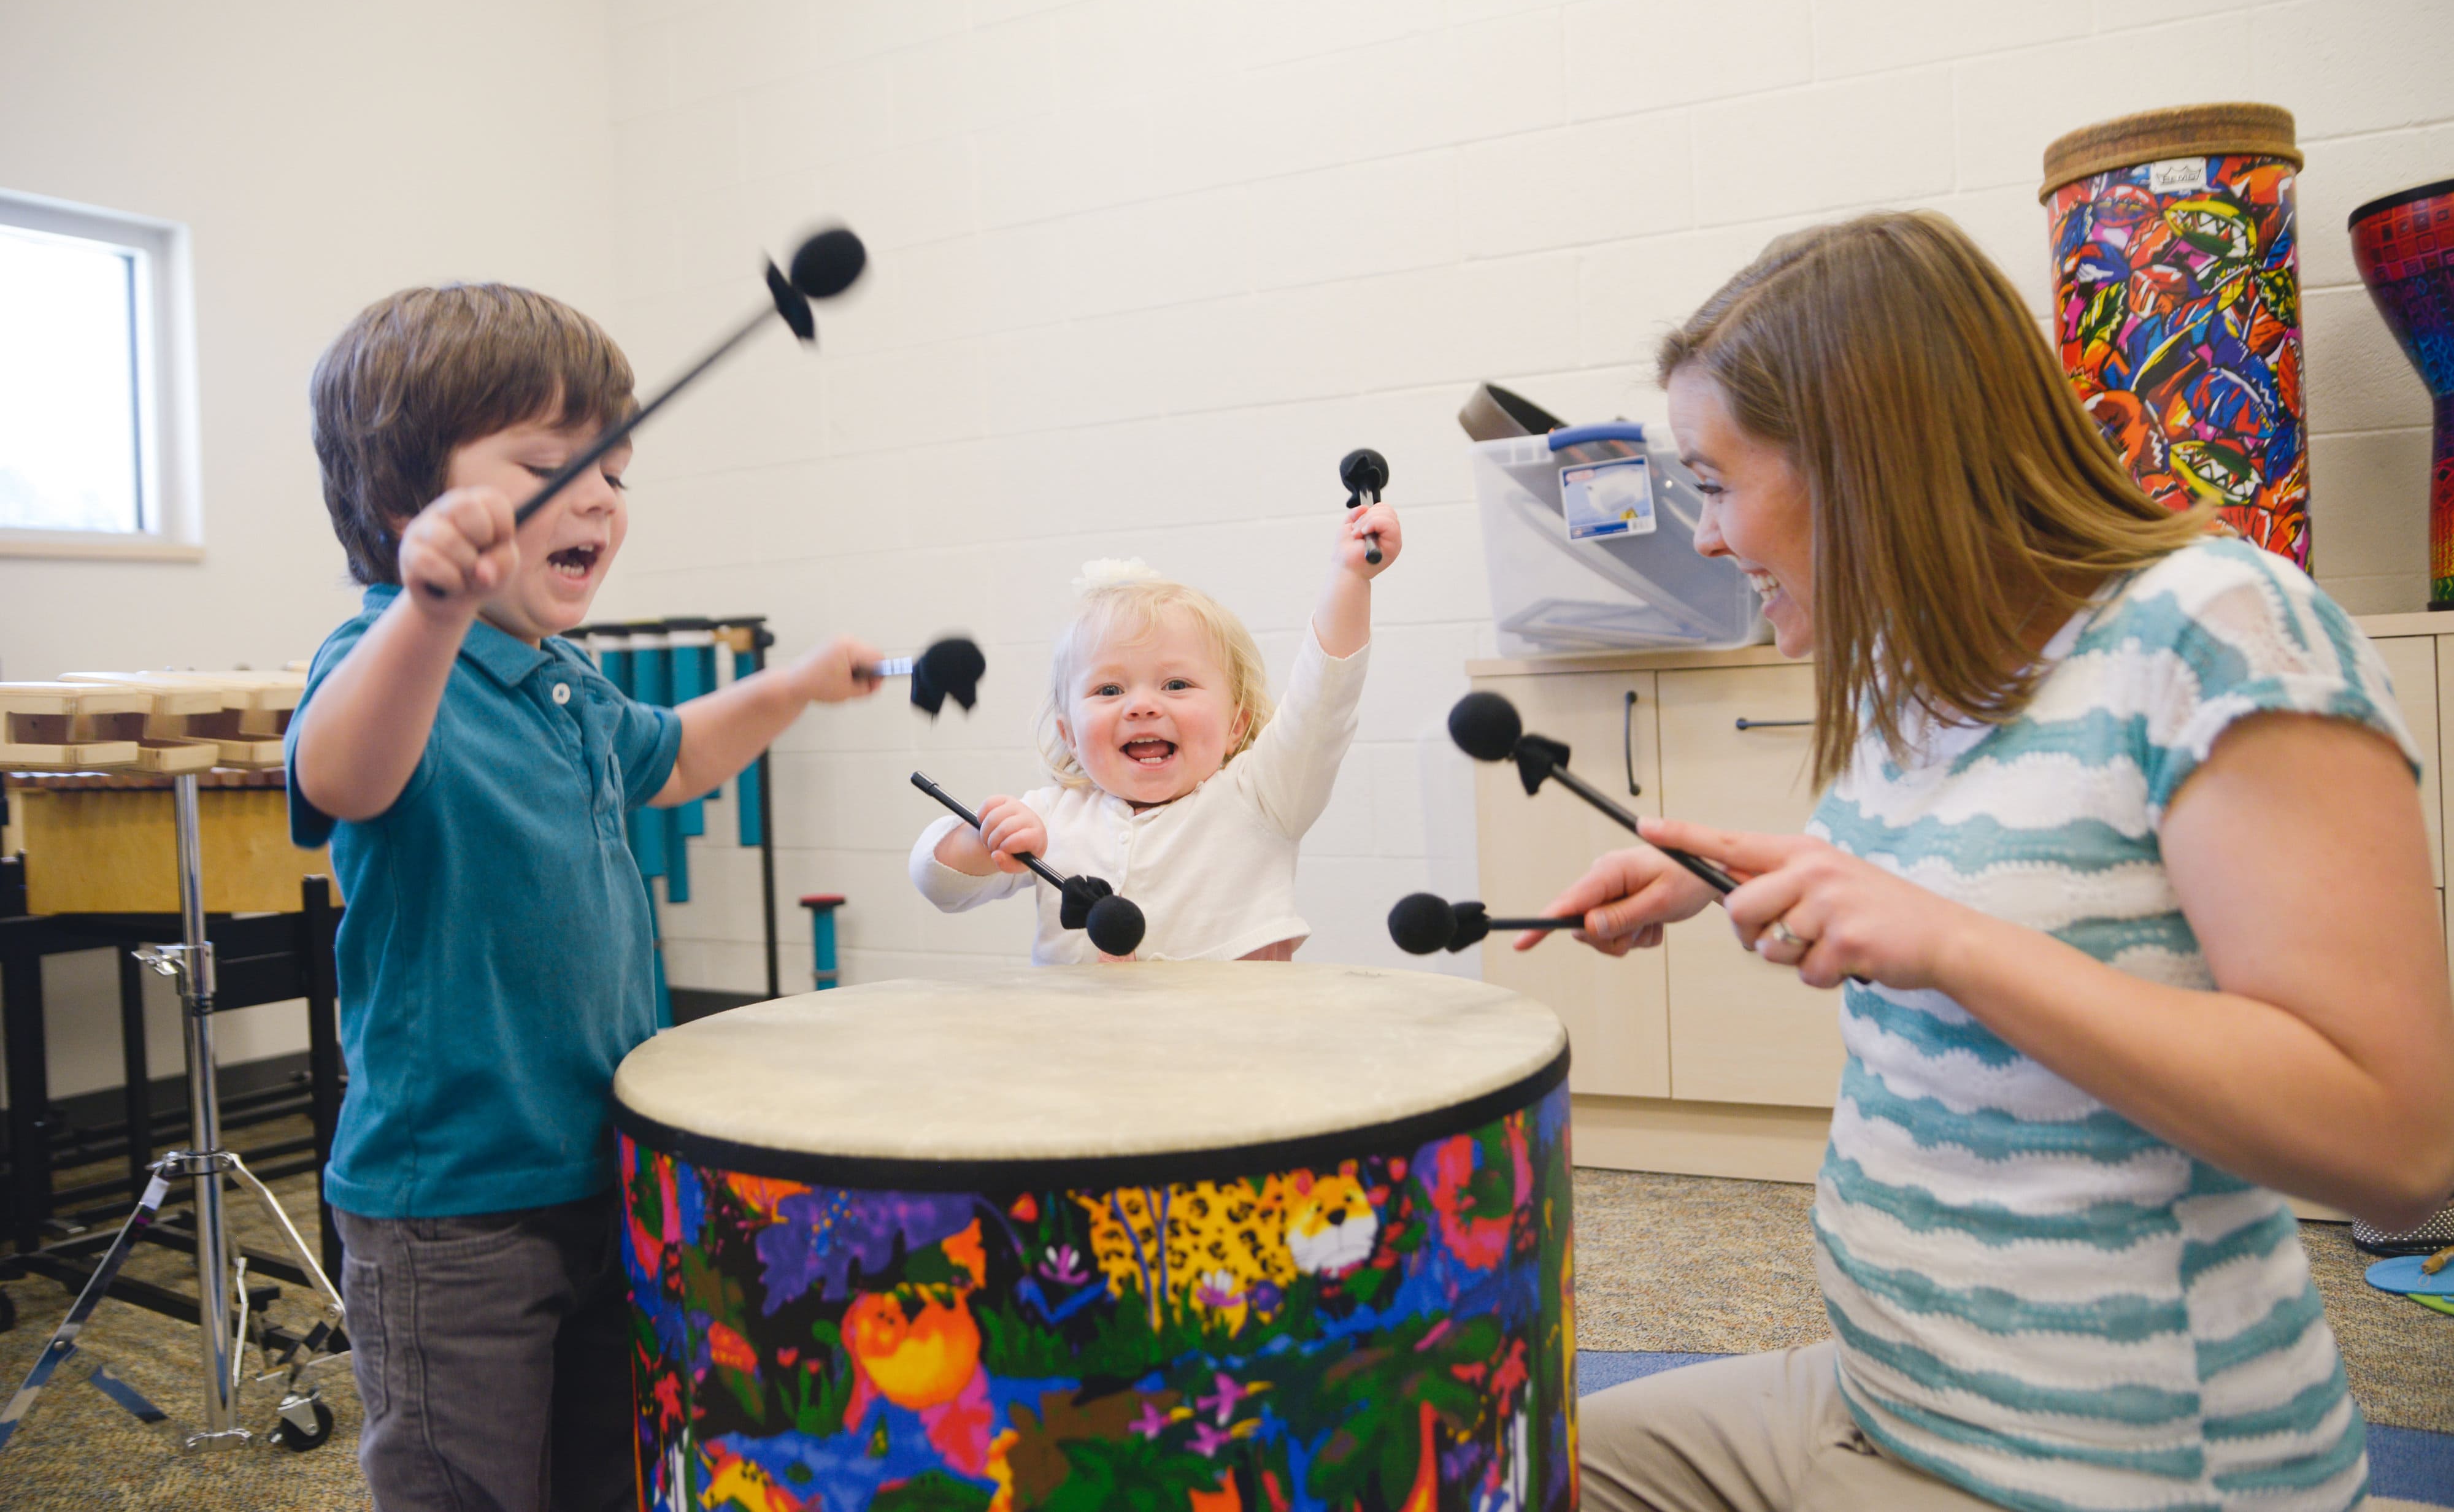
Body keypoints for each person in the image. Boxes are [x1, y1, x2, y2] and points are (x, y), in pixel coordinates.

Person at [1524, 211, 2454, 1512]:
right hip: (1877, 1390)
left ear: (1862, 462)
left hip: (2102, 1471)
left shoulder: (2219, 627)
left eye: (1715, 481)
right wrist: (1738, 871)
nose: (1711, 538)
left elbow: (2396, 1141)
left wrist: (1943, 941)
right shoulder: (1922, 666)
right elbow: (2025, 879)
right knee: (1476, 1473)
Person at [287, 283, 882, 1511]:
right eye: (553, 465)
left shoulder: (567, 681)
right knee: (471, 1488)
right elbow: (342, 771)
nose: (602, 498)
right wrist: (429, 608)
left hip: (601, 1168)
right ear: (411, 503)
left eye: (616, 468)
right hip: (449, 1208)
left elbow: (677, 752)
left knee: (611, 1472)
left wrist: (795, 686)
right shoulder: (388, 663)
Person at [909, 500, 1401, 962]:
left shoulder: (1263, 796)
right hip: (1079, 1049)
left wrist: (1350, 577)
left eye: (1176, 683)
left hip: (1234, 1050)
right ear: (1072, 736)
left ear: (1237, 725)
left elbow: (1324, 700)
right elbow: (936, 882)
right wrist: (983, 844)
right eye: (1108, 690)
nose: (1142, 705)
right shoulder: (1052, 817)